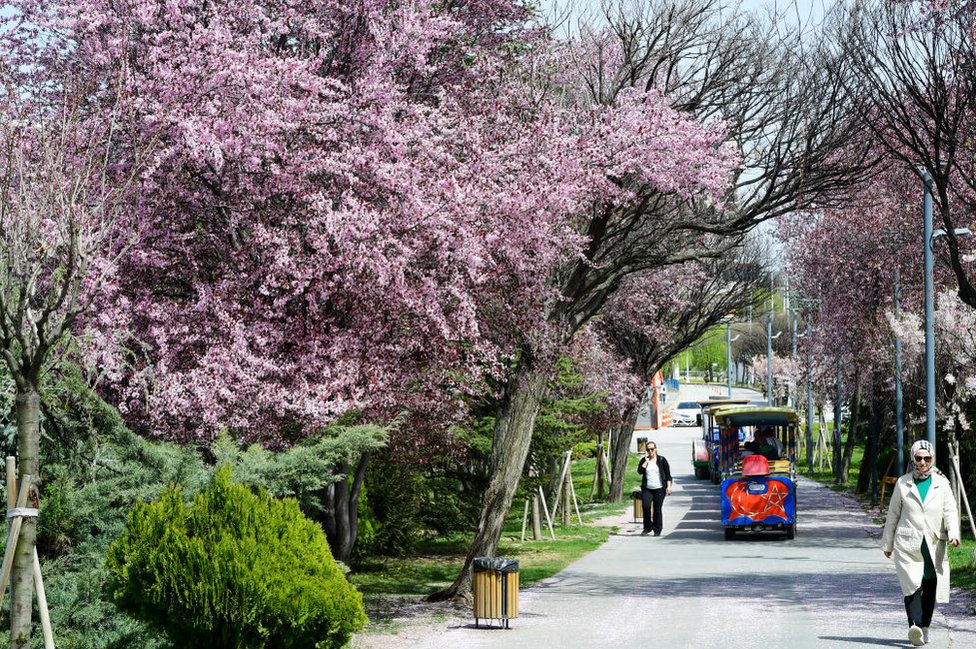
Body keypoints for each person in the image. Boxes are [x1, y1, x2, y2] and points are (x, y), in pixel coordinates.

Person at [881, 440, 960, 647]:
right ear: (912, 459)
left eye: (927, 458)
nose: (923, 462)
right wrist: (887, 544)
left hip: (934, 543)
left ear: (932, 458)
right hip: (908, 544)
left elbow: (950, 509)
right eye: (919, 458)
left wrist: (954, 533)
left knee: (930, 585)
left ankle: (924, 626)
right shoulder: (903, 483)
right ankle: (914, 626)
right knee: (911, 585)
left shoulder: (941, 483)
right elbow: (893, 515)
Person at [637, 441, 672, 537]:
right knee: (646, 506)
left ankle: (657, 529)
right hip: (647, 488)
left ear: (656, 449)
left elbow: (668, 474)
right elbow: (640, 472)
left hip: (659, 488)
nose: (650, 451)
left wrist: (669, 486)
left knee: (657, 509)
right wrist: (646, 462)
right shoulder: (644, 460)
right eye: (648, 449)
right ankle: (647, 528)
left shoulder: (661, 460)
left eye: (652, 449)